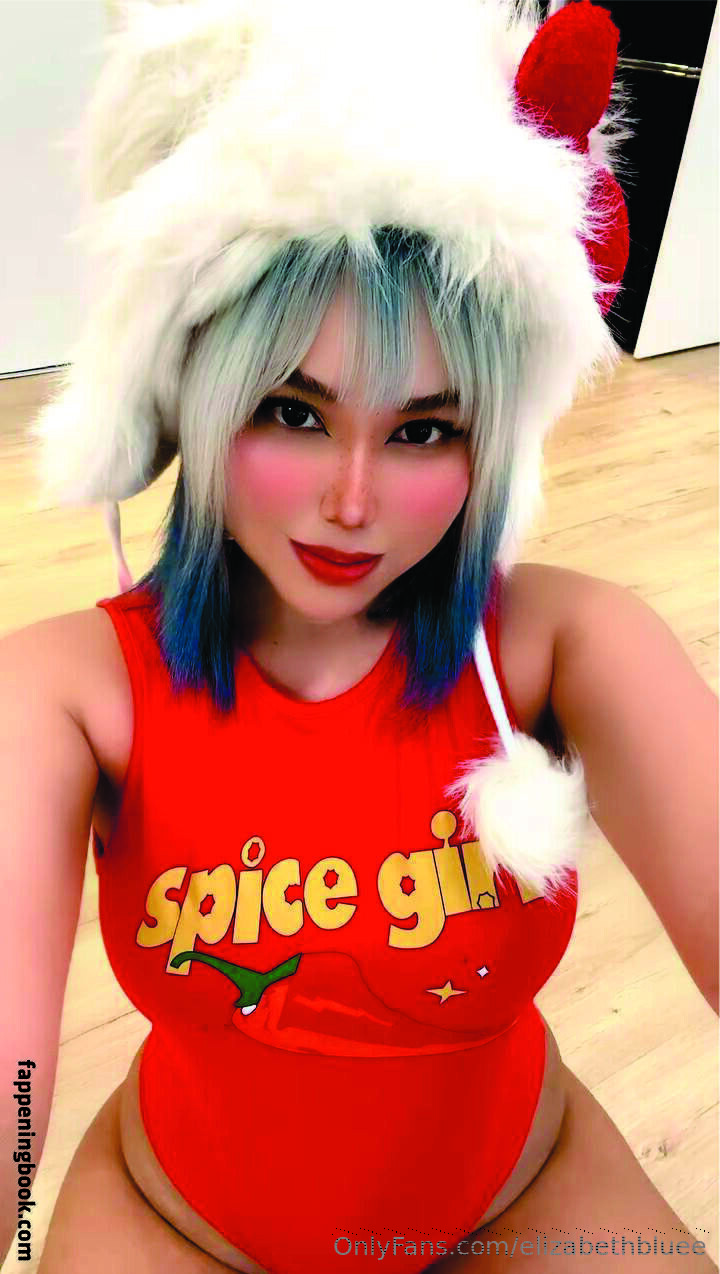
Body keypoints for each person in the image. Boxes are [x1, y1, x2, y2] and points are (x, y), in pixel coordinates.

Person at [1, 0, 716, 1271]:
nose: (352, 500)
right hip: (177, 1220)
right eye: (293, 410)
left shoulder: (571, 645)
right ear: (192, 396)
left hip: (523, 1189)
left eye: (424, 430)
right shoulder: (65, 688)